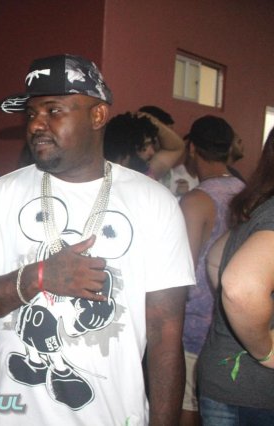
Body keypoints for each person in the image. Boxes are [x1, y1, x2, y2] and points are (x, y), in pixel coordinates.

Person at [0, 54, 194, 425]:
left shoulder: (154, 203)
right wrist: (39, 277)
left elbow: (166, 333)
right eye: (31, 113)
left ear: (98, 115)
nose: (36, 124)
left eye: (53, 110)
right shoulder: (1, 194)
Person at [197, 128, 274, 425]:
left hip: (225, 381)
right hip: (257, 394)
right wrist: (265, 350)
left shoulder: (261, 207)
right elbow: (240, 287)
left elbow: (216, 260)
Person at [178, 115, 244, 425]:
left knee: (188, 407)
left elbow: (182, 271)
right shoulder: (247, 193)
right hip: (232, 327)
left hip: (193, 329)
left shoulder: (196, 201)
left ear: (192, 148)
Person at [104, 110, 185, 180]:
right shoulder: (101, 176)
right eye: (146, 145)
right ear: (127, 145)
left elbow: (176, 148)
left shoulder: (146, 173)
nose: (152, 152)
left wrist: (154, 122)